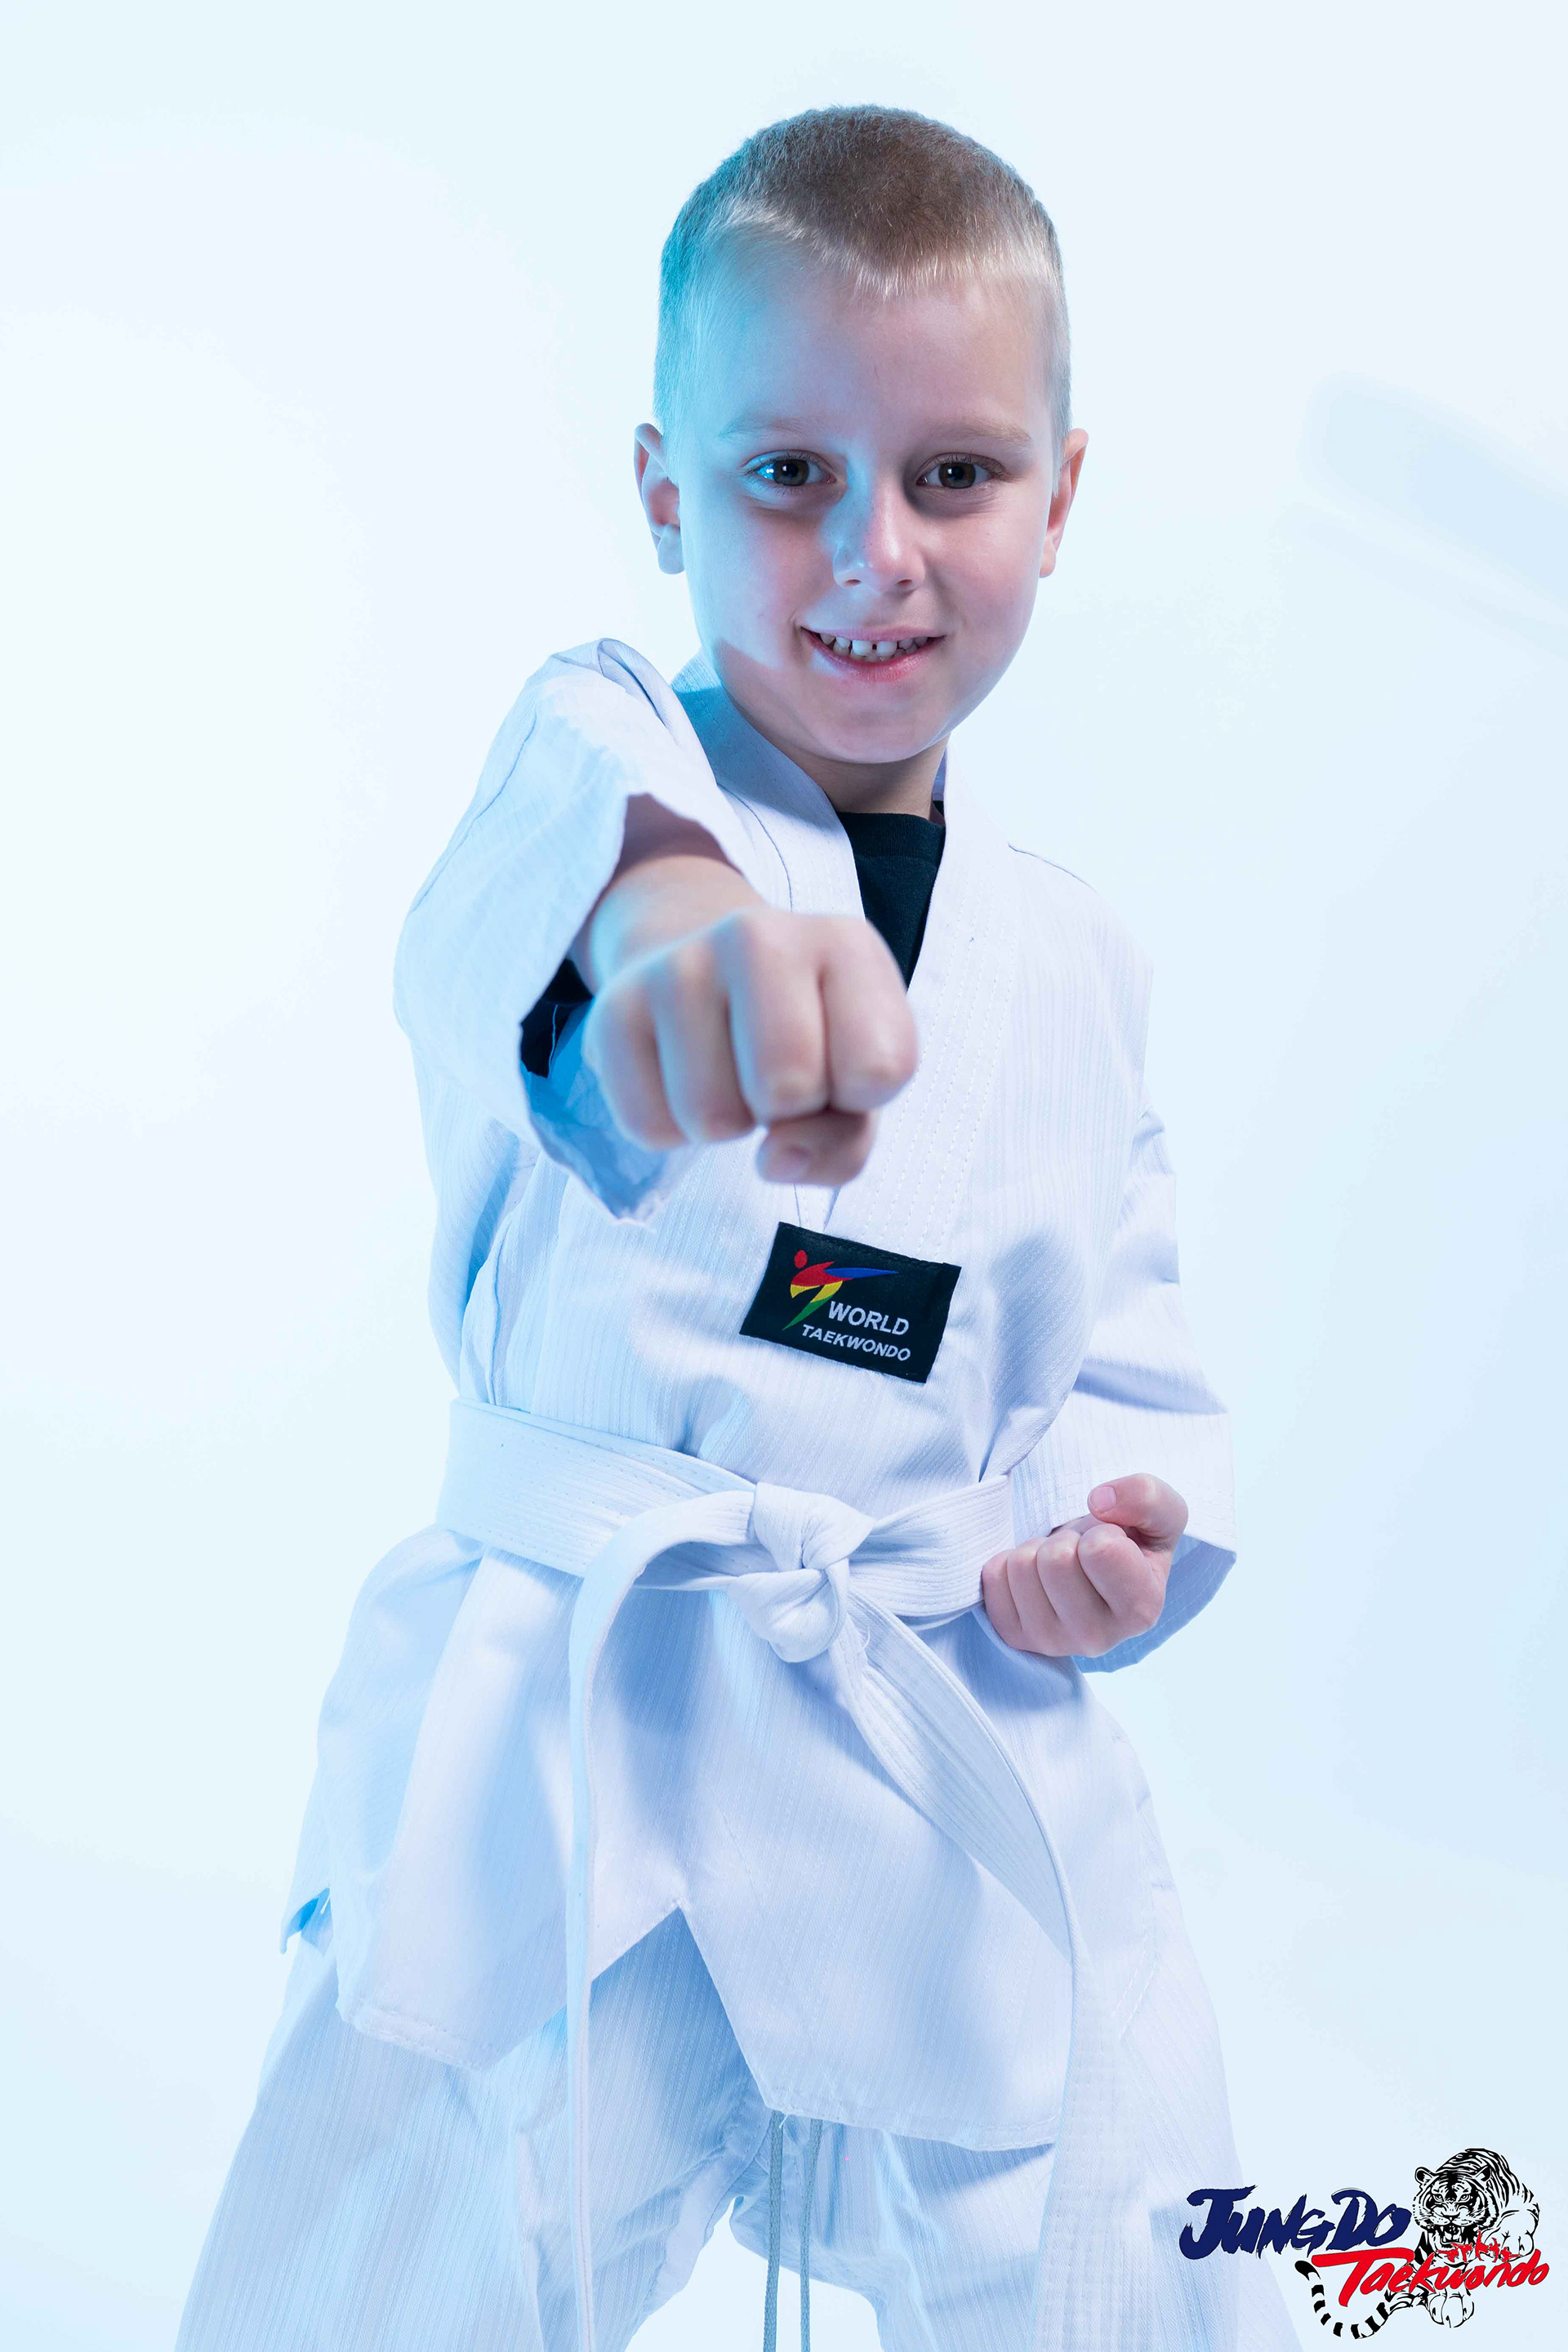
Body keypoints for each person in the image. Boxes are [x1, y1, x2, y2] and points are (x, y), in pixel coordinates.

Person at [176, 105, 1298, 2352]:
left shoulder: (1078, 968)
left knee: (1125, 2238)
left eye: (955, 474)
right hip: (572, 1748)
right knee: (394, 2260)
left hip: (926, 1730)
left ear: (1062, 496)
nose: (874, 552)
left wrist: (1107, 1542)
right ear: (665, 489)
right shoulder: (598, 755)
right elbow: (584, 874)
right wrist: (676, 946)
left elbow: (1118, 1366)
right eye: (787, 473)